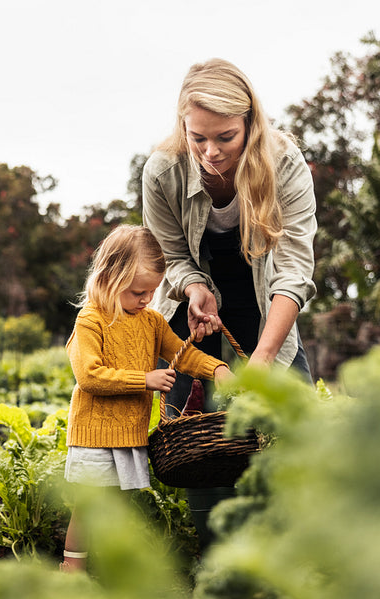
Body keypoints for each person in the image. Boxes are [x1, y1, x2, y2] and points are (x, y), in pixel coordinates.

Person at [142, 58, 317, 548]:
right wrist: (195, 288)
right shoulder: (162, 171)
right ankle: (217, 559)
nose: (210, 152)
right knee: (202, 444)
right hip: (194, 312)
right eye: (197, 137)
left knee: (291, 428)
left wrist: (261, 359)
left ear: (249, 125)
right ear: (183, 125)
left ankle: (289, 554)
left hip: (265, 302)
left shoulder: (283, 164)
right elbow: (170, 255)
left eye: (225, 137)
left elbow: (293, 270)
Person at [60, 224, 231, 572]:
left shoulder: (151, 321)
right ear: (109, 277)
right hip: (95, 434)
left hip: (129, 435)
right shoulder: (91, 320)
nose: (146, 300)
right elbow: (89, 376)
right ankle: (71, 570)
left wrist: (216, 369)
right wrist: (145, 379)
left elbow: (180, 354)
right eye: (138, 291)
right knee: (89, 504)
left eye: (152, 291)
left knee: (117, 505)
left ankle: (108, 566)